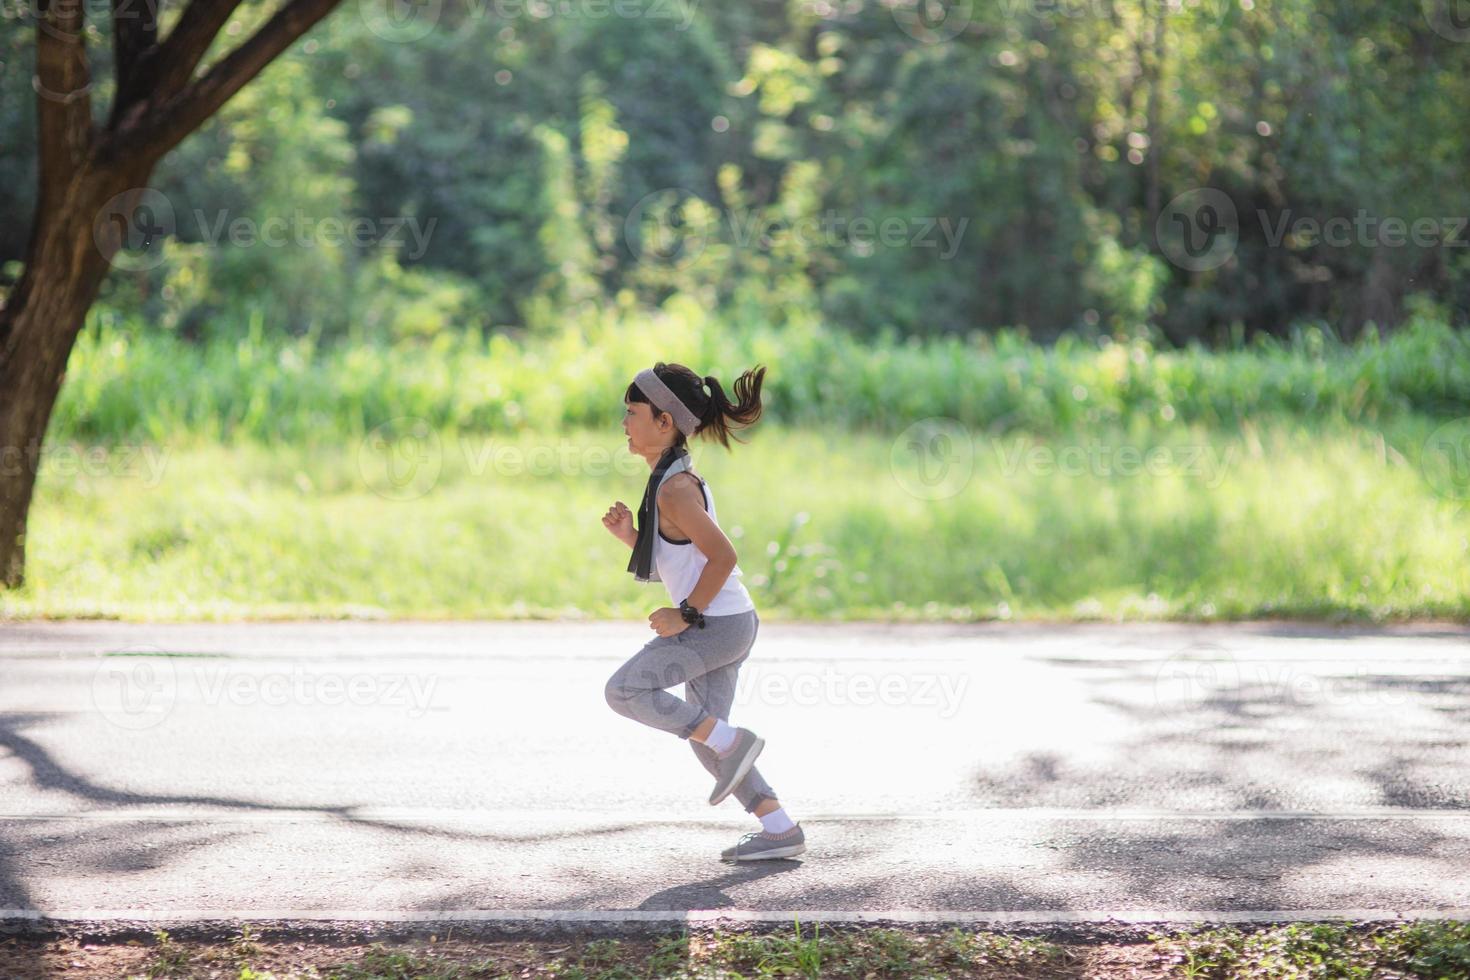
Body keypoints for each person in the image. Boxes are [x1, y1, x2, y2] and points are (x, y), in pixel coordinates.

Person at [601, 361, 806, 862]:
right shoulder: (669, 478)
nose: (624, 422)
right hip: (730, 622)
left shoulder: (675, 487)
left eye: (631, 412)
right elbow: (681, 557)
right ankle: (779, 827)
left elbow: (724, 557)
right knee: (704, 737)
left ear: (663, 422)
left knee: (625, 690)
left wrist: (685, 614)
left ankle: (734, 741)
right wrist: (631, 537)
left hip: (716, 625)